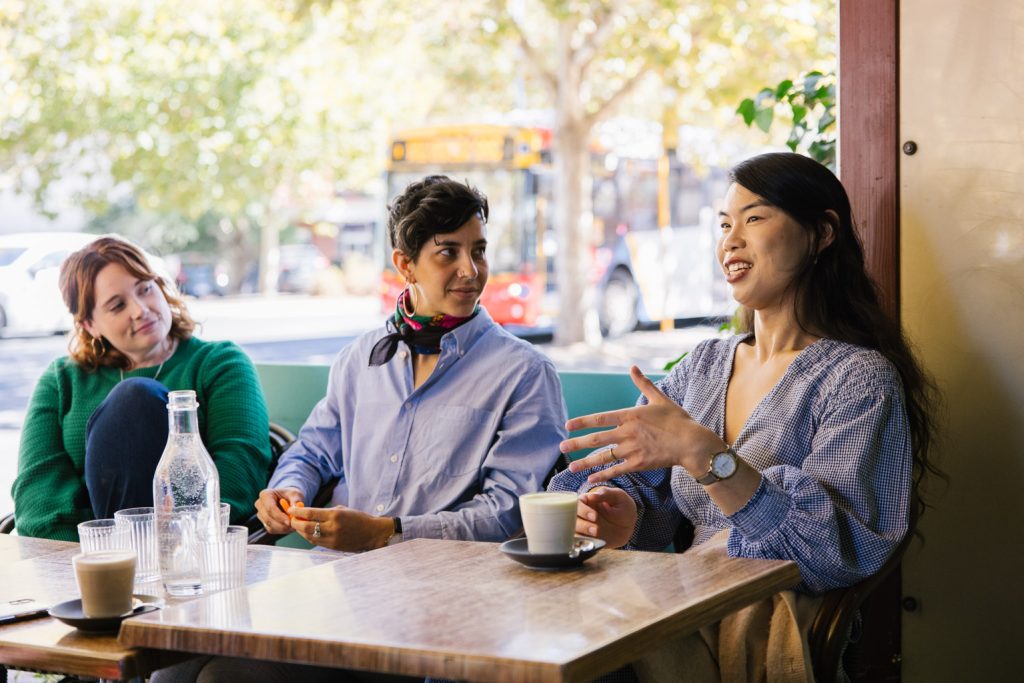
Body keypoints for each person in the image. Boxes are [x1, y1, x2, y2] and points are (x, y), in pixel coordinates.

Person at [550, 152, 940, 680]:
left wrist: (708, 456)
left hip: (760, 633)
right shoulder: (704, 366)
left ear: (822, 233)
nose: (730, 241)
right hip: (678, 612)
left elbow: (831, 555)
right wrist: (622, 514)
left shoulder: (858, 379)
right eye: (724, 224)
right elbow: (652, 501)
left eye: (754, 219)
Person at [256, 175, 567, 551]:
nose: (471, 270)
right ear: (406, 265)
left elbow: (509, 512)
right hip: (340, 577)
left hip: (454, 586)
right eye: (448, 252)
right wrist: (287, 488)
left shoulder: (526, 373)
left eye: (479, 251)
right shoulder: (358, 361)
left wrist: (387, 533)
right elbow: (313, 451)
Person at [13, 236, 271, 541]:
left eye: (145, 289)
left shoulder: (220, 364)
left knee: (133, 399)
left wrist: (170, 543)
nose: (139, 310)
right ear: (89, 325)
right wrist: (98, 557)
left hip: (193, 553)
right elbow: (37, 495)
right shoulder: (61, 381)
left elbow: (240, 472)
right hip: (90, 560)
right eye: (117, 305)